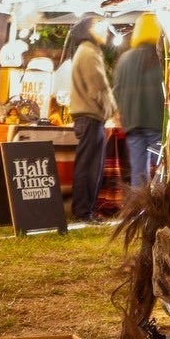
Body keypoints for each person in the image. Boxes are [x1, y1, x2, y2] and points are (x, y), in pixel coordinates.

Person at [64, 13, 116, 224]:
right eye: (101, 27)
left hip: (88, 117)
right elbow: (99, 88)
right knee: (89, 166)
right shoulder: (88, 52)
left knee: (89, 165)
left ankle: (85, 210)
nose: (106, 33)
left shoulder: (86, 51)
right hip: (90, 117)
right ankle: (83, 211)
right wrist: (111, 110)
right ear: (90, 30)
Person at [113, 12, 166, 187]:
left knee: (138, 171)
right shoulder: (161, 59)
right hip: (157, 123)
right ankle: (162, 201)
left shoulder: (124, 59)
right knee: (163, 169)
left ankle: (139, 203)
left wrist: (122, 112)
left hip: (133, 124)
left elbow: (117, 92)